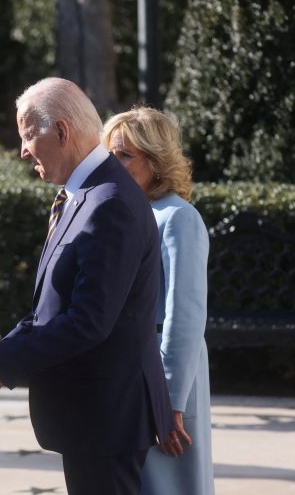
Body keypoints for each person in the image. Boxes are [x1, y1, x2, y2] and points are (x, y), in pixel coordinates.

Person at [0, 77, 173, 495]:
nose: (23, 150)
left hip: (106, 418)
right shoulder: (84, 193)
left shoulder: (110, 203)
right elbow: (50, 309)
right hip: (93, 417)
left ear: (62, 132)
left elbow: (88, 322)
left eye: (28, 135)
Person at [103, 107, 214, 495]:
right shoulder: (128, 211)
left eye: (125, 154)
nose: (113, 164)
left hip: (164, 375)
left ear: (155, 160)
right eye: (110, 154)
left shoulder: (178, 217)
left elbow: (184, 315)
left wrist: (168, 402)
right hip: (130, 372)